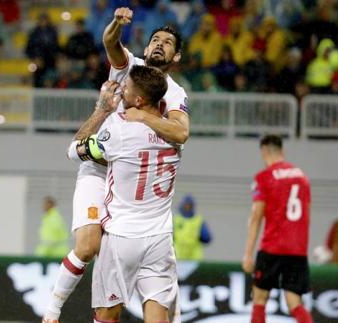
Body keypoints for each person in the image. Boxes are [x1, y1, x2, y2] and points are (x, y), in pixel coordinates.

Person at [43, 7, 189, 322]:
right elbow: (111, 43)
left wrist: (141, 116)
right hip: (101, 163)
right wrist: (116, 24)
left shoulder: (175, 94)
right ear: (146, 47)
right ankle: (52, 312)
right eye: (155, 39)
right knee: (87, 246)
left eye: (167, 42)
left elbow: (182, 132)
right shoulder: (129, 66)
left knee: (139, 258)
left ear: (176, 57)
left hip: (134, 177)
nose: (159, 44)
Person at [68, 65, 180, 323]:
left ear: (139, 100)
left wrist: (102, 111)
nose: (122, 92)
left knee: (107, 314)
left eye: (126, 89)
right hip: (160, 237)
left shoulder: (119, 130)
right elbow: (179, 130)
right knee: (156, 313)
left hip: (123, 236)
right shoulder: (174, 133)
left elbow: (74, 150)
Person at [242, 134, 313, 323]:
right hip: (297, 250)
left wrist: (248, 254)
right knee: (294, 302)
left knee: (259, 298)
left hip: (272, 247)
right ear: (283, 151)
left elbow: (256, 216)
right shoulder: (302, 177)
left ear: (263, 151)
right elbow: (307, 213)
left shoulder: (264, 177)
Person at [174, 194, 212, 260]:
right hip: (178, 257)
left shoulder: (198, 220)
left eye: (190, 206)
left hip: (194, 258)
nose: (188, 208)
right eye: (186, 205)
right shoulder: (176, 220)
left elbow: (207, 238)